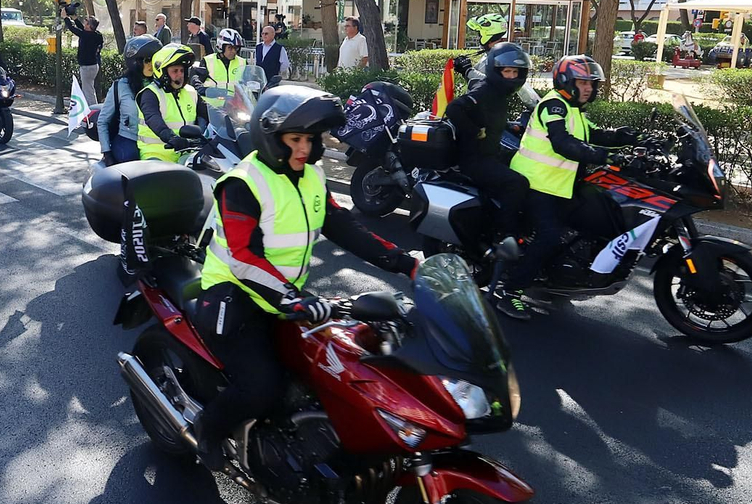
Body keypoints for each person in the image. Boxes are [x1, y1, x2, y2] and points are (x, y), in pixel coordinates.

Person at [191, 85, 417, 468]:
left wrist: (406, 264)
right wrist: (292, 298)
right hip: (235, 297)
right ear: (271, 136)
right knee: (261, 387)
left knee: (332, 371)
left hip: (284, 295)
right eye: (295, 139)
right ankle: (207, 429)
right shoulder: (243, 183)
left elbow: (344, 227)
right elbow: (243, 258)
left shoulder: (311, 177)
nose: (304, 149)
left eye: (310, 140)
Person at [503, 55, 636, 305]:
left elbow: (593, 134)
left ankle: (559, 277)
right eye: (583, 82)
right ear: (565, 81)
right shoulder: (553, 106)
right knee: (549, 236)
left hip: (559, 185)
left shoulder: (573, 109)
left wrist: (632, 138)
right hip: (535, 183)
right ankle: (511, 292)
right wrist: (606, 156)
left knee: (582, 228)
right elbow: (563, 143)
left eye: (591, 83)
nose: (589, 88)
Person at [443, 43, 536, 318]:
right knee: (517, 183)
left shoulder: (498, 94)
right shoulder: (485, 90)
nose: (512, 77)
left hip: (490, 155)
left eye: (516, 72)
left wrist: (507, 126)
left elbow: (489, 117)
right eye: (507, 72)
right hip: (474, 160)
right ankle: (505, 236)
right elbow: (455, 109)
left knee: (528, 173)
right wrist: (475, 132)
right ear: (496, 71)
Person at [137, 44, 207, 162]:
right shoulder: (150, 94)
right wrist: (171, 137)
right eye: (175, 71)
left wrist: (230, 122)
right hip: (157, 154)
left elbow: (209, 111)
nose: (180, 75)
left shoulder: (191, 92)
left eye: (182, 70)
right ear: (162, 72)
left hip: (186, 154)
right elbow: (153, 119)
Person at [99, 35, 158, 166]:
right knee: (132, 164)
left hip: (156, 141)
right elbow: (103, 121)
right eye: (147, 60)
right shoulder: (121, 86)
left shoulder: (162, 86)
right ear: (135, 62)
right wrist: (107, 153)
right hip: (129, 139)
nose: (151, 65)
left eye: (155, 60)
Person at [65, 11, 104, 100]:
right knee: (89, 89)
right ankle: (90, 106)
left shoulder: (86, 36)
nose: (84, 22)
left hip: (87, 67)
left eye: (86, 21)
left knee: (88, 91)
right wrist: (76, 20)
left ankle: (92, 107)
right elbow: (82, 29)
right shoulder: (96, 34)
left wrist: (65, 18)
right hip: (93, 65)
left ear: (89, 26)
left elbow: (72, 29)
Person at [253, 22, 291, 86]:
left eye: (266, 33)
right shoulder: (258, 47)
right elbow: (256, 61)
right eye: (262, 33)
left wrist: (276, 70)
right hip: (259, 80)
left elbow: (285, 64)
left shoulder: (279, 48)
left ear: (273, 34)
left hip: (272, 81)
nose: (264, 35)